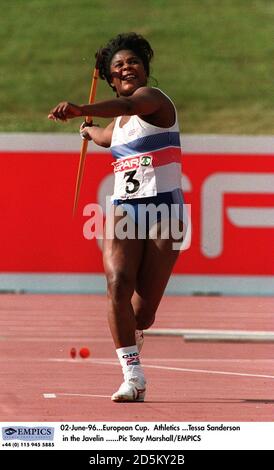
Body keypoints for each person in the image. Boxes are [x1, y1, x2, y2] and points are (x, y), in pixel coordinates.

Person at [48, 32, 184, 402]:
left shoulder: (153, 101)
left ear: (145, 69)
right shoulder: (117, 126)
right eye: (118, 66)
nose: (126, 68)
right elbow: (104, 136)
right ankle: (133, 375)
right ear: (110, 79)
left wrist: (81, 108)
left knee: (142, 314)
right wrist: (86, 130)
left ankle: (134, 334)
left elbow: (126, 108)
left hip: (165, 215)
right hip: (125, 210)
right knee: (117, 283)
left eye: (133, 62)